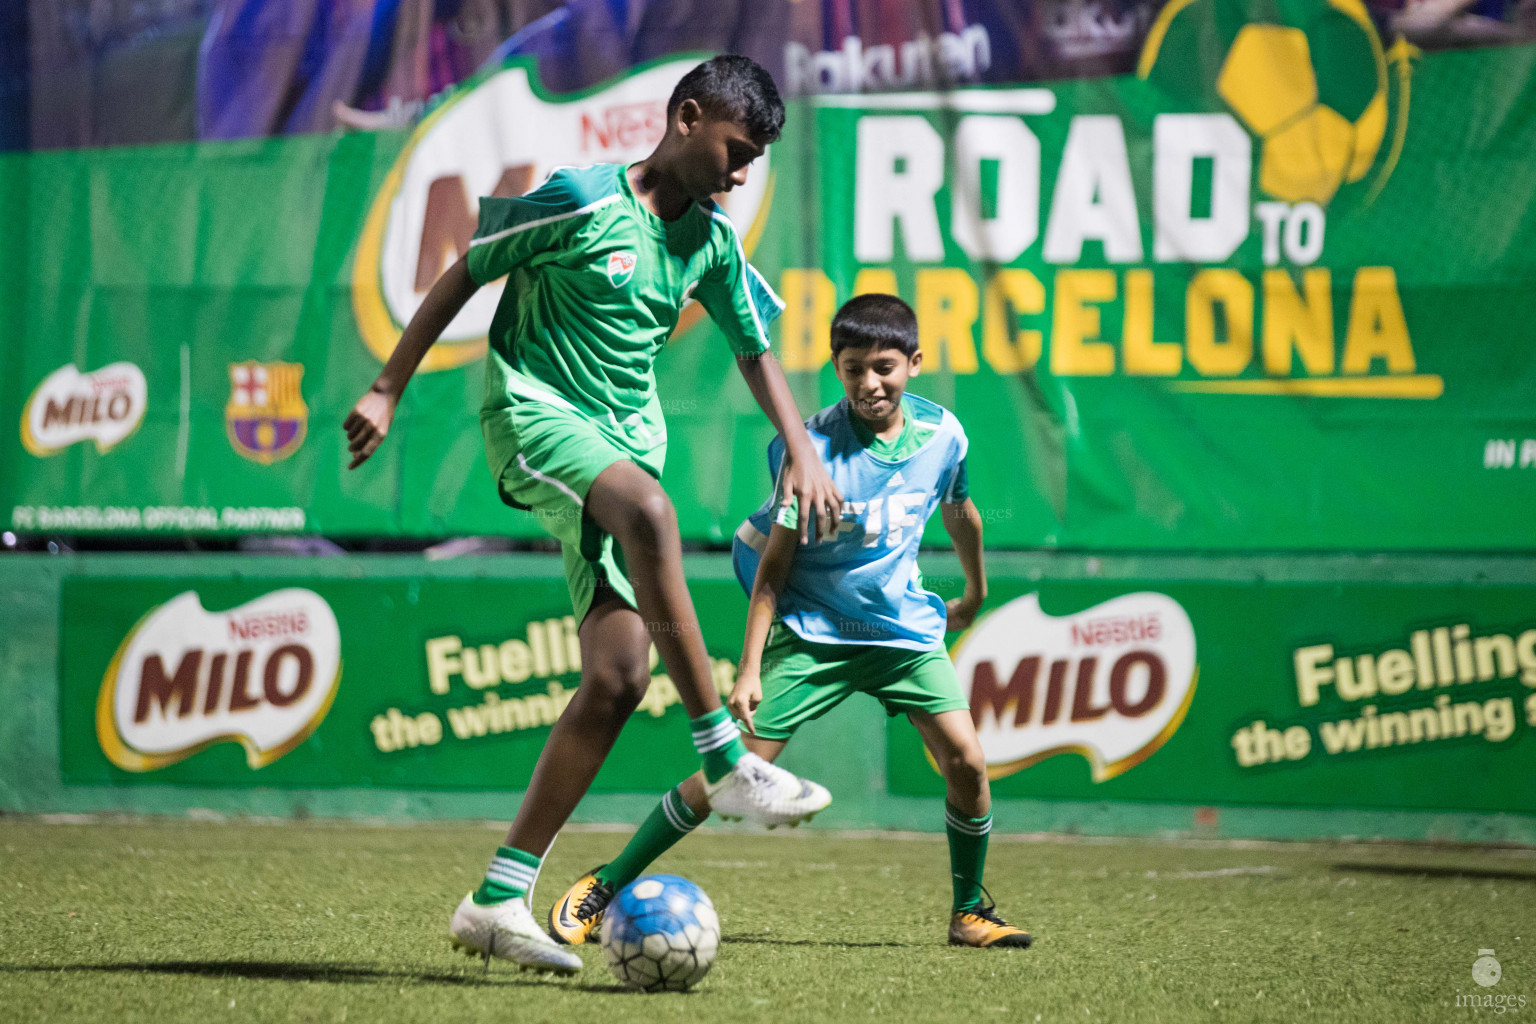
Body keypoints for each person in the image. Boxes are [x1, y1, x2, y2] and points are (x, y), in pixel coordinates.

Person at [343, 54, 839, 974]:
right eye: (736, 148)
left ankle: (497, 895)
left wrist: (802, 449)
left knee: (616, 676)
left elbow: (756, 350)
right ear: (687, 117)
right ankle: (725, 759)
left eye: (757, 159)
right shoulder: (579, 198)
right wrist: (385, 388)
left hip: (619, 450)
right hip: (534, 423)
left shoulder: (713, 242)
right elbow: (465, 272)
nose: (742, 172)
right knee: (650, 512)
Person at [546, 294, 1032, 951]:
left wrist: (972, 592)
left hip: (903, 635)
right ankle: (607, 882)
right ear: (837, 367)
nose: (870, 382)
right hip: (811, 636)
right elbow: (772, 569)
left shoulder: (946, 435)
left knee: (969, 764)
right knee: (730, 777)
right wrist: (749, 671)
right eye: (853, 367)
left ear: (914, 363)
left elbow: (962, 513)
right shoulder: (810, 452)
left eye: (884, 366)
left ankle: (969, 911)